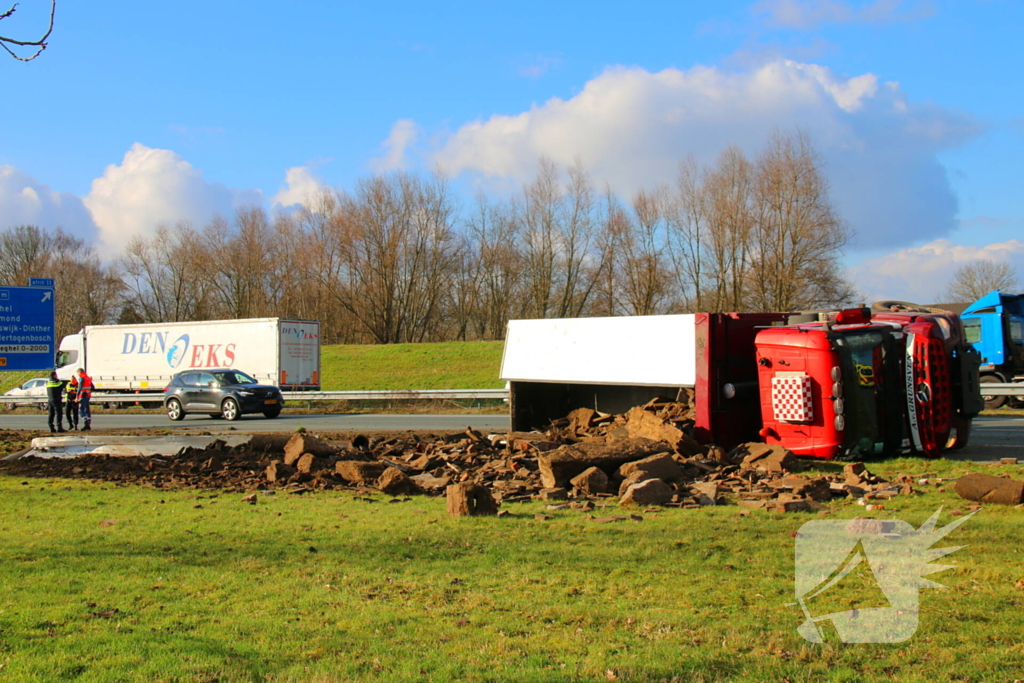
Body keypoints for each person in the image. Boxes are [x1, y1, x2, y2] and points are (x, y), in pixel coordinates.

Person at [76, 367, 94, 431]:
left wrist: (77, 396)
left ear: (79, 372)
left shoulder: (82, 378)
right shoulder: (88, 378)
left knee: (81, 410)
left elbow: (80, 388)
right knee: (87, 409)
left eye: (77, 373)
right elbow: (93, 387)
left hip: (83, 395)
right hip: (88, 395)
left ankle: (86, 423)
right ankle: (88, 424)